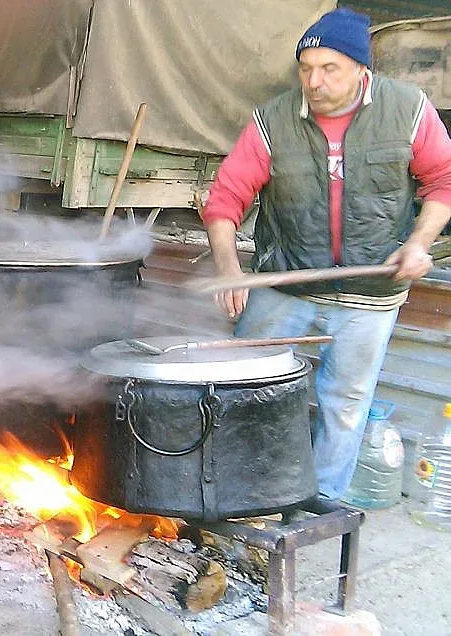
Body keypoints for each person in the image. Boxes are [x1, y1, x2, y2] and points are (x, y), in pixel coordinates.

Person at [202, 7, 451, 501]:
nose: (313, 82)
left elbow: (443, 182)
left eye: (329, 68)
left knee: (344, 402)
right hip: (286, 281)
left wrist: (418, 243)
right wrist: (229, 268)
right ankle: (234, 493)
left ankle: (320, 503)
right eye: (305, 68)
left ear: (363, 70)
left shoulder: (409, 110)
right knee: (245, 385)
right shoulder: (273, 119)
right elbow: (226, 198)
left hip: (371, 290)